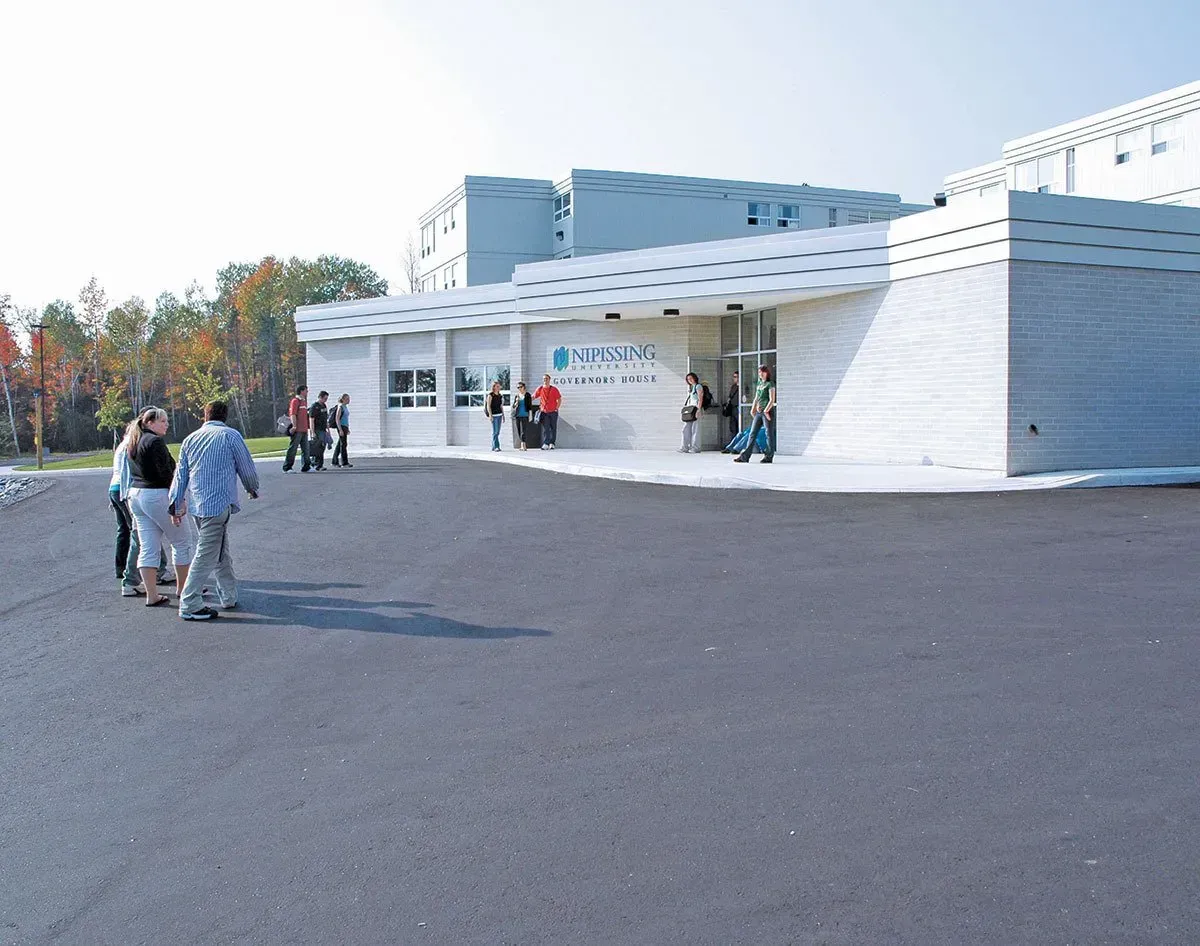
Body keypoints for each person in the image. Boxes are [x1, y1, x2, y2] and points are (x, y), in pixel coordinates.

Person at [170, 400, 261, 622]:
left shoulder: (190, 439)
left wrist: (175, 502)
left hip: (198, 505)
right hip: (218, 504)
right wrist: (252, 488)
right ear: (225, 416)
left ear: (205, 415)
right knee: (207, 553)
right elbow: (246, 468)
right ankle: (190, 602)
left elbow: (181, 474)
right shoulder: (230, 436)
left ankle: (228, 595)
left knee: (220, 549)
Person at [126, 407, 194, 607]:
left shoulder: (133, 441)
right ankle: (183, 589)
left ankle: (152, 594)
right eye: (162, 421)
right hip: (157, 494)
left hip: (136, 495)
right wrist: (177, 502)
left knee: (148, 546)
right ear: (149, 423)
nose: (166, 424)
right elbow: (166, 473)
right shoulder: (154, 442)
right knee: (182, 541)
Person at [734, 365, 776, 464]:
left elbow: (772, 399)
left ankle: (769, 456)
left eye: (762, 372)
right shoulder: (759, 383)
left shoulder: (770, 384)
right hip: (759, 411)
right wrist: (753, 408)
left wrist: (766, 411)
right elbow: (756, 398)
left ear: (766, 372)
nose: (760, 374)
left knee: (768, 434)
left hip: (767, 411)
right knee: (752, 433)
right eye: (759, 372)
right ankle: (745, 456)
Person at [283, 384, 311, 473]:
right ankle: (287, 467)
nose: (307, 392)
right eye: (306, 390)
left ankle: (306, 467)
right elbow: (293, 414)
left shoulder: (304, 402)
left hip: (304, 429)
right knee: (293, 449)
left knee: (306, 449)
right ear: (302, 391)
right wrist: (294, 426)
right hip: (297, 430)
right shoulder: (295, 401)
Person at [533, 374, 562, 450]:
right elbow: (534, 396)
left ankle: (552, 443)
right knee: (546, 428)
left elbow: (559, 399)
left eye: (546, 379)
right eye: (544, 379)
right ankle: (546, 443)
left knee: (553, 428)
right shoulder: (540, 389)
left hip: (553, 412)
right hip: (544, 412)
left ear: (549, 379)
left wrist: (556, 408)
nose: (545, 380)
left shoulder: (554, 389)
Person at [680, 372, 702, 454]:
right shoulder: (691, 387)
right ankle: (685, 447)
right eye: (688, 379)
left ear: (695, 378)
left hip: (696, 409)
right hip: (690, 410)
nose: (690, 380)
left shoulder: (698, 386)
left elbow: (700, 398)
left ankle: (696, 447)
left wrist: (699, 410)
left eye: (691, 378)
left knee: (695, 429)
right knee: (686, 429)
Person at [308, 390, 330, 471]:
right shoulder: (314, 407)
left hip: (323, 429)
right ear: (320, 397)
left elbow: (325, 417)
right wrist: (312, 432)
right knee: (317, 447)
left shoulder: (324, 405)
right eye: (324, 398)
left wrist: (327, 429)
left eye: (326, 399)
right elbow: (311, 420)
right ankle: (317, 464)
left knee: (322, 447)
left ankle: (319, 464)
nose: (325, 400)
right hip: (317, 430)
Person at [330, 393, 352, 468]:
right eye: (347, 399)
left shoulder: (345, 407)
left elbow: (345, 418)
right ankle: (344, 462)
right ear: (343, 399)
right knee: (344, 444)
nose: (349, 400)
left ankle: (334, 461)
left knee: (340, 444)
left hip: (345, 426)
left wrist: (347, 428)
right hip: (341, 426)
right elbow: (337, 418)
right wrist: (340, 430)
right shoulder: (340, 407)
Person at [511, 382, 533, 451]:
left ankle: (524, 445)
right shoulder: (517, 396)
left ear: (524, 387)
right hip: (517, 415)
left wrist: (530, 415)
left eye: (520, 387)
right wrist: (516, 402)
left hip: (525, 415)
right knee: (519, 431)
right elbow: (513, 406)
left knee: (524, 431)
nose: (519, 388)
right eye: (518, 387)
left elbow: (530, 406)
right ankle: (521, 445)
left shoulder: (527, 395)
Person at [722, 370, 740, 449]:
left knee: (739, 426)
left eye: (737, 377)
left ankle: (738, 445)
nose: (735, 379)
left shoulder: (743, 386)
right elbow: (730, 396)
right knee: (733, 427)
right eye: (734, 377)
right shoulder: (733, 386)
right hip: (733, 408)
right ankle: (733, 444)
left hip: (739, 408)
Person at [484, 380, 505, 451]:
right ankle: (496, 446)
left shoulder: (500, 395)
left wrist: (503, 415)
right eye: (497, 386)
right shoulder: (490, 395)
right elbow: (488, 406)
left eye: (499, 386)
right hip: (494, 415)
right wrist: (490, 415)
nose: (499, 387)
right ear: (494, 387)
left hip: (499, 415)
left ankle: (493, 446)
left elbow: (501, 406)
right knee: (495, 432)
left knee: (498, 432)